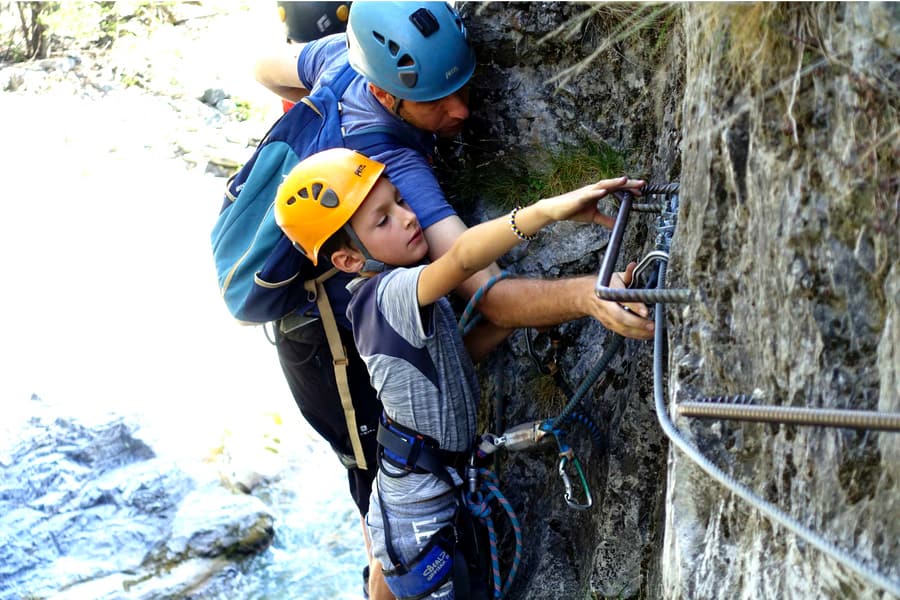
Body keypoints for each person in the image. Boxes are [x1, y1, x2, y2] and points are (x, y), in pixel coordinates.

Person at [253, 2, 654, 597]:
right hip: (324, 345)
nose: (461, 110)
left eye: (461, 88)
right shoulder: (389, 207)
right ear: (384, 96)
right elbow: (470, 268)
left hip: (425, 451)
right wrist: (565, 250)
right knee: (377, 509)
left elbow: (265, 67)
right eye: (436, 102)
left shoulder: (344, 59)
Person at [273, 147, 645, 598]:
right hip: (420, 514)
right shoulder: (387, 294)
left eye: (400, 201)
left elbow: (452, 361)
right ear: (350, 261)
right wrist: (547, 211)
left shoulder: (403, 292)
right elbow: (464, 258)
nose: (408, 218)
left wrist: (514, 320)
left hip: (420, 495)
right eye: (383, 220)